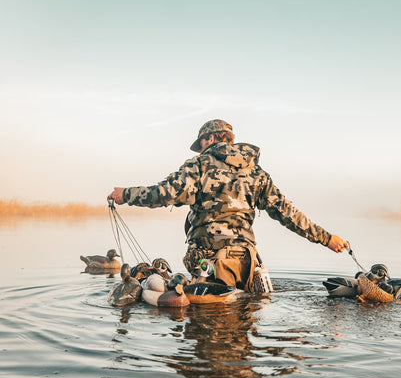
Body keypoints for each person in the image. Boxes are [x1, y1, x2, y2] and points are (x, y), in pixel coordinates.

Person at [108, 119, 348, 289]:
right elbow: (288, 213)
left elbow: (164, 194)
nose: (200, 149)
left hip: (209, 263)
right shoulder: (256, 172)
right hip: (247, 262)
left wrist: (126, 194)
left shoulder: (199, 165)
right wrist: (327, 238)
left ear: (210, 138)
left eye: (201, 143)